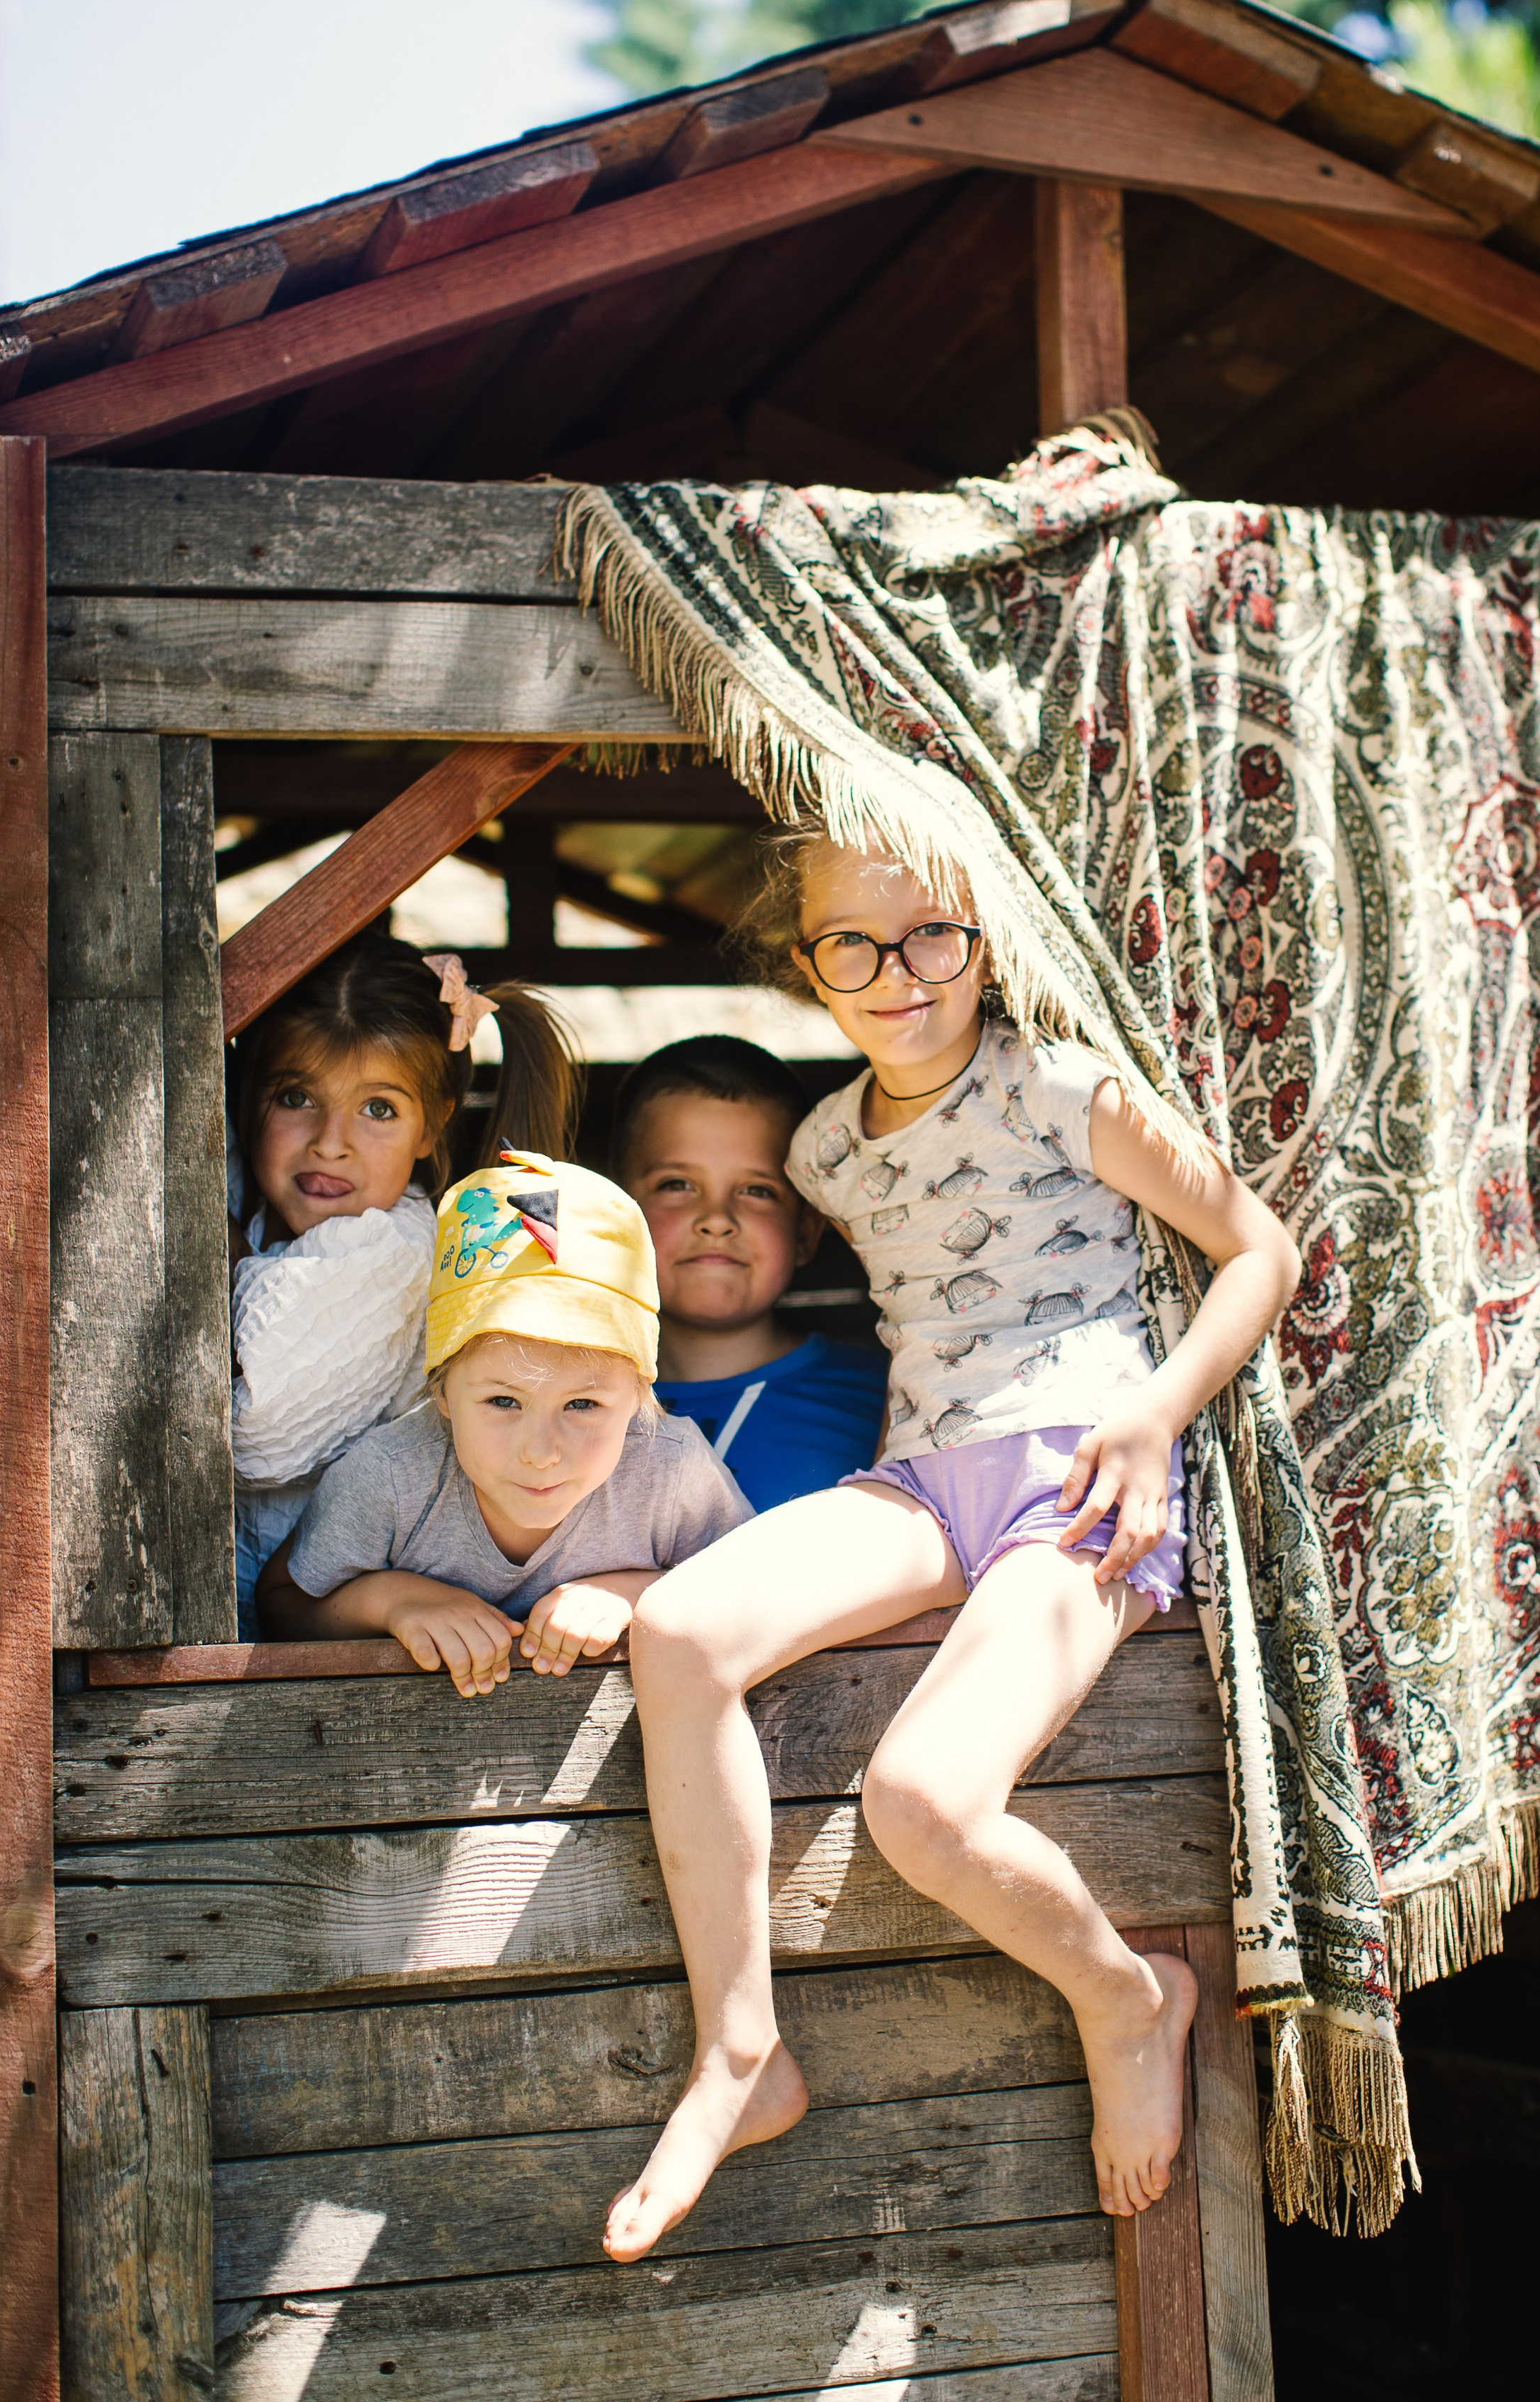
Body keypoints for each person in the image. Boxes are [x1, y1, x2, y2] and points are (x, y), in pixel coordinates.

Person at [601, 827, 1300, 2264]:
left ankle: (1123, 1996)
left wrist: (1157, 1419)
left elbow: (1260, 1251)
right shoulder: (822, 1151)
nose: (895, 973)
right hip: (923, 1481)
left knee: (917, 1803)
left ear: (983, 939)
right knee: (674, 1632)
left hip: (1076, 1486)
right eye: (850, 945)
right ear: (808, 970)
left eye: (931, 935)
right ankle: (740, 2053)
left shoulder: (1061, 1091)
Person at [255, 1149, 751, 1692]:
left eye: (582, 1406)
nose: (540, 1452)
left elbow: (754, 1593)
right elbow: (282, 1608)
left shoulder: (670, 1473)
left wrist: (638, 1594)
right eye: (503, 1402)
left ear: (638, 1394)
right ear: (442, 1390)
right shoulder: (392, 1476)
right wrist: (392, 1601)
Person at [228, 933, 583, 1632]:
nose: (331, 1140)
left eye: (379, 1109)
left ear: (434, 1125)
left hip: (335, 1624)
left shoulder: (389, 1254)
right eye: (296, 1097)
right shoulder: (271, 1209)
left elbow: (251, 1441)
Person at [611, 1034, 888, 1509]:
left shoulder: (885, 1402)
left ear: (805, 1230)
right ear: (616, 1211)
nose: (717, 1218)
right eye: (677, 1185)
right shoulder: (561, 1395)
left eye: (757, 1191)